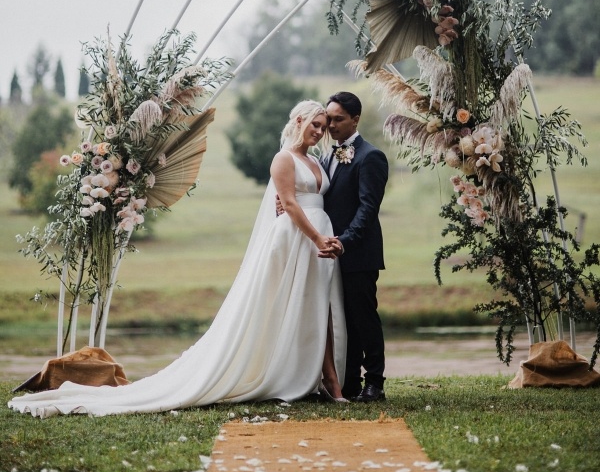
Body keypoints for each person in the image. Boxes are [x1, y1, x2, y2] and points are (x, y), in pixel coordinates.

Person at [8, 101, 347, 418]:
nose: (319, 131)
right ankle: (301, 376)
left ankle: (323, 378)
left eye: (323, 127)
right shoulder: (283, 159)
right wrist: (318, 237)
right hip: (297, 241)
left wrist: (326, 237)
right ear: (299, 121)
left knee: (316, 306)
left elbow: (310, 199)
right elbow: (288, 204)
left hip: (319, 242)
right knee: (285, 305)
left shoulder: (316, 161)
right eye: (314, 125)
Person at [321, 91, 388, 402]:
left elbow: (367, 208)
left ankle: (374, 382)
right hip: (327, 253)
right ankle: (348, 383)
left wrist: (344, 242)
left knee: (363, 318)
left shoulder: (370, 156)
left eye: (338, 119)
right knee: (340, 321)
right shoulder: (325, 157)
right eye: (328, 119)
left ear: (355, 119)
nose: (331, 125)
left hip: (358, 253)